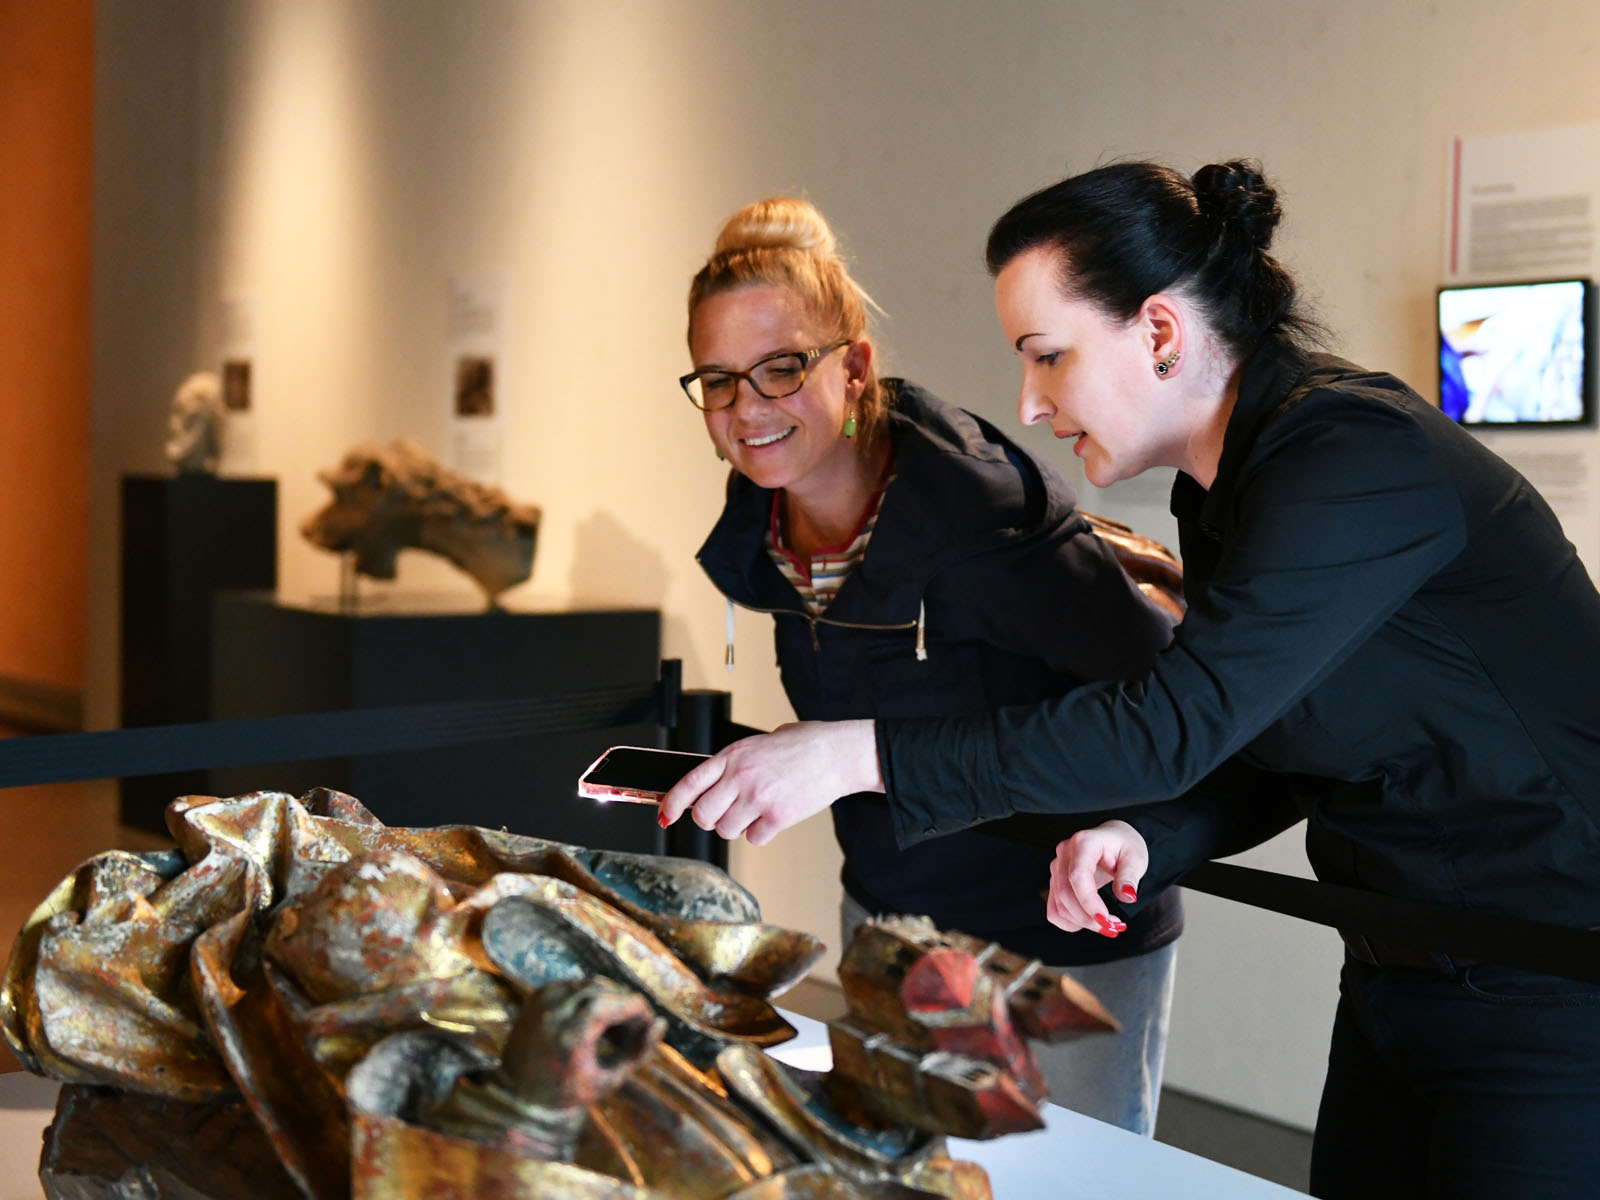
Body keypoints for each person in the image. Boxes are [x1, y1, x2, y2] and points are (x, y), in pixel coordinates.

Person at [660, 163, 1600, 1199]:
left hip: (1551, 984)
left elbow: (1170, 721)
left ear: (1159, 331)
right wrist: (1157, 834)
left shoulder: (1351, 456)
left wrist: (858, 753)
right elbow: (1267, 734)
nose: (1029, 402)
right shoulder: (1228, 486)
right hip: (1396, 967)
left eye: (1048, 357)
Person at [676, 195, 1184, 1134]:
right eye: (719, 380)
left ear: (854, 366)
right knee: (901, 1176)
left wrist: (855, 753)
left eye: (782, 368)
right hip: (891, 923)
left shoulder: (981, 516)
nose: (748, 408)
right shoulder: (761, 523)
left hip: (1054, 942)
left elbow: (1161, 706)